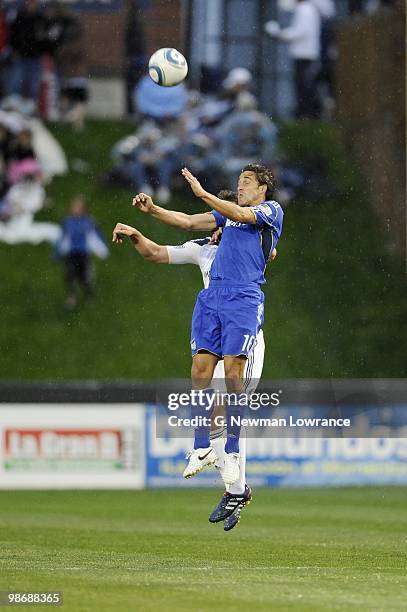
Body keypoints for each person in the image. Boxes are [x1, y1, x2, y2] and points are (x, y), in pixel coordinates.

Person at [113, 189, 277, 531]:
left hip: (246, 339)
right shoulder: (203, 250)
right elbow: (157, 253)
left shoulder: (249, 238)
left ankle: (235, 486)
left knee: (226, 404)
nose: (217, 226)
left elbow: (269, 248)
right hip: (216, 333)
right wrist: (137, 235)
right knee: (212, 406)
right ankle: (236, 487)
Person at [265, 0, 321, 118]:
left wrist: (281, 34)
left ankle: (307, 115)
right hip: (304, 53)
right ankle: (306, 114)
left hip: (305, 54)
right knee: (303, 86)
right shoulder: (306, 8)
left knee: (304, 87)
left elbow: (301, 31)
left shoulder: (305, 9)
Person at [55, 196, 109, 310]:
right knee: (69, 274)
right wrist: (57, 252)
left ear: (84, 209)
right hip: (71, 254)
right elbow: (62, 238)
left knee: (84, 277)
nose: (75, 209)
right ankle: (72, 297)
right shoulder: (68, 222)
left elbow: (96, 236)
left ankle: (89, 295)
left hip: (83, 254)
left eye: (77, 207)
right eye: (73, 206)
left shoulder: (88, 222)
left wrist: (102, 250)